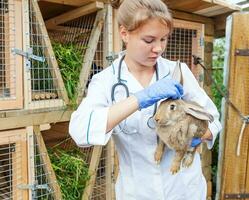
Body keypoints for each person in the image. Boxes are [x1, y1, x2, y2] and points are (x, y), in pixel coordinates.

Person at [69, 0, 222, 199]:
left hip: (184, 189)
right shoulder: (106, 81)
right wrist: (140, 99)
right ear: (125, 34)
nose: (158, 48)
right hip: (138, 192)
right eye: (149, 40)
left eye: (164, 39)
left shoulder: (178, 72)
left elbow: (213, 118)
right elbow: (81, 131)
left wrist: (200, 134)